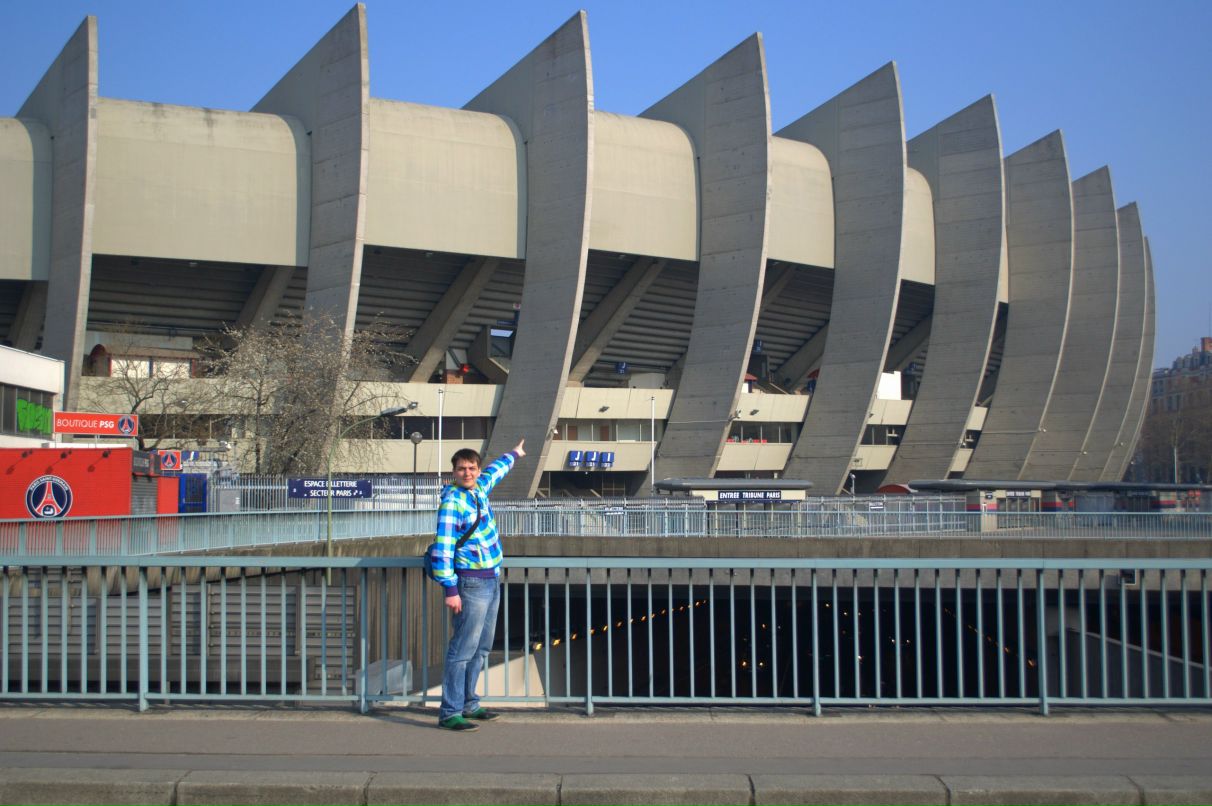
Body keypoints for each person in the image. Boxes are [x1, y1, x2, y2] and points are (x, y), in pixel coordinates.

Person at [430, 439, 525, 731]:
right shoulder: (452, 502)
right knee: (462, 649)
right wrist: (450, 589)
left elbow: (495, 472)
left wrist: (514, 454)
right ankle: (450, 712)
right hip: (470, 581)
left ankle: (469, 704)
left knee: (482, 648)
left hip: (491, 577)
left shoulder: (479, 489)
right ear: (454, 472)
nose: (467, 473)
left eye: (471, 468)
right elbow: (443, 547)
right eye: (461, 469)